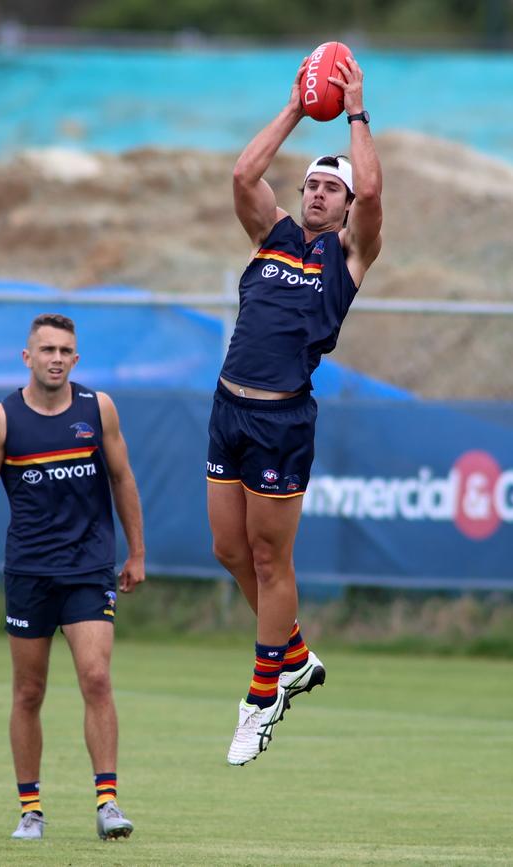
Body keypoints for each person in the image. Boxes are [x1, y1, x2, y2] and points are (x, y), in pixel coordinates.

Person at [207, 54, 382, 765]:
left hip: (282, 419)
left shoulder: (350, 255)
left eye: (327, 188)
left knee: (269, 557)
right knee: (228, 550)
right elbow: (244, 176)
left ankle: (262, 695)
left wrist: (353, 109)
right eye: (310, 184)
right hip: (228, 407)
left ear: (343, 208)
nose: (316, 193)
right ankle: (298, 654)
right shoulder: (270, 235)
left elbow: (372, 189)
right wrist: (293, 108)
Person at [0, 313, 145, 839]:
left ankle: (108, 803)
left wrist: (137, 552)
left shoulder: (97, 408)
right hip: (29, 573)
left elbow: (123, 478)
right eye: (47, 350)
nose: (56, 358)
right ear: (27, 357)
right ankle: (30, 811)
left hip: (88, 567)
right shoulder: (2, 419)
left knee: (97, 676)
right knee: (28, 693)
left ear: (76, 358)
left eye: (65, 350)